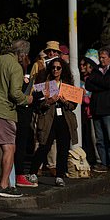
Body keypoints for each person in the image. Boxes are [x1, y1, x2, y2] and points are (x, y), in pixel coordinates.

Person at [0, 40, 33, 197]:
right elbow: (15, 94)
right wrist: (28, 99)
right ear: (22, 54)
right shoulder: (15, 67)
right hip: (3, 111)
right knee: (9, 148)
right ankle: (4, 185)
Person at [27, 58, 78, 187]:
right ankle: (32, 171)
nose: (55, 70)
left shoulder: (67, 84)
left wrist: (64, 101)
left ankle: (60, 175)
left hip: (64, 119)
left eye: (58, 68)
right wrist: (49, 101)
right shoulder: (45, 84)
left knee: (63, 148)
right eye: (53, 67)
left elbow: (73, 106)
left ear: (63, 69)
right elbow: (37, 104)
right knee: (44, 145)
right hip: (48, 119)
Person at [86, 47, 110, 174]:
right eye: (100, 57)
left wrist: (96, 82)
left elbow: (109, 83)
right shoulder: (96, 71)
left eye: (104, 57)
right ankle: (103, 162)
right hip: (97, 109)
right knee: (100, 139)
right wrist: (100, 84)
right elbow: (88, 85)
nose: (101, 60)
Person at [80, 49, 101, 166]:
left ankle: (99, 159)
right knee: (88, 136)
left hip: (92, 111)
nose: (83, 67)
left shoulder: (93, 79)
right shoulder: (82, 79)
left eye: (85, 64)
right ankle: (92, 157)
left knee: (95, 136)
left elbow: (91, 97)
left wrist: (83, 96)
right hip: (85, 113)